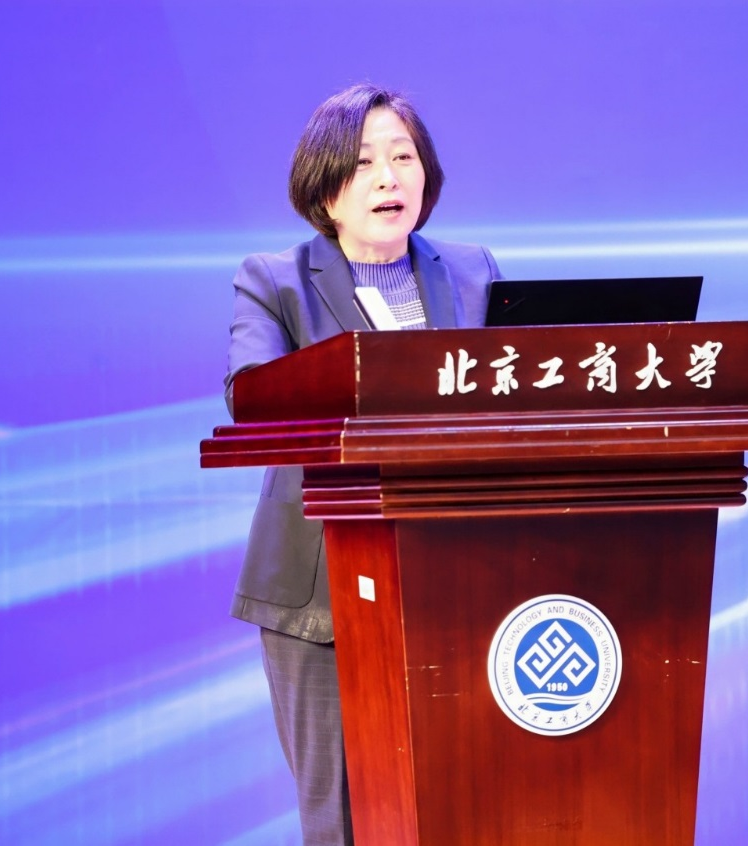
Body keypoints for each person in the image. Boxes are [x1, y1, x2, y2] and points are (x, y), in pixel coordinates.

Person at [224, 83, 501, 846]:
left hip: (462, 578)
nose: (388, 178)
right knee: (344, 818)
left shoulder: (474, 271)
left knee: (462, 802)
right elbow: (251, 397)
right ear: (324, 191)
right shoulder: (275, 281)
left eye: (403, 157)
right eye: (362, 162)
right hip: (323, 594)